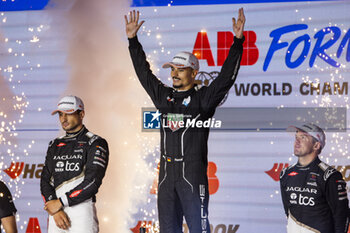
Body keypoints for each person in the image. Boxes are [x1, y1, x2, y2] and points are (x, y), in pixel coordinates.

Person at [125, 9, 245, 233]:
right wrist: (133, 41)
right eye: (172, 69)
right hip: (166, 179)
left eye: (181, 69)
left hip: (192, 177)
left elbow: (226, 78)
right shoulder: (164, 97)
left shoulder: (203, 99)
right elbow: (144, 74)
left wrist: (237, 42)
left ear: (194, 73)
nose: (174, 74)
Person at [40, 95, 109, 233]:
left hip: (81, 212)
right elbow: (45, 180)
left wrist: (59, 203)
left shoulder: (96, 142)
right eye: (60, 114)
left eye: (68, 114)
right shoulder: (54, 144)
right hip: (56, 214)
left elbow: (92, 182)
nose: (63, 119)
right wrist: (55, 210)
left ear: (81, 114)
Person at [280, 123, 349, 233]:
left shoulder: (329, 175)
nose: (297, 141)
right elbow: (288, 212)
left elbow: (341, 215)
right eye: (296, 137)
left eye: (303, 137)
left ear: (316, 146)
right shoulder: (285, 174)